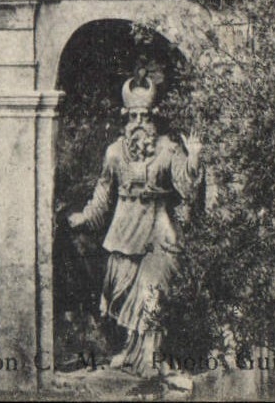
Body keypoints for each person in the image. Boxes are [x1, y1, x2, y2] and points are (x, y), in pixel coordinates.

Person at [68, 70, 203, 376]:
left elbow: (185, 186)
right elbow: (103, 196)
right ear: (125, 117)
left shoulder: (168, 148)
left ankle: (152, 360)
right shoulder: (114, 153)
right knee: (126, 298)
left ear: (153, 116)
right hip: (124, 233)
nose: (139, 123)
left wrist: (193, 159)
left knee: (152, 291)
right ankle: (132, 354)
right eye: (134, 116)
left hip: (159, 231)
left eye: (145, 115)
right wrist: (85, 217)